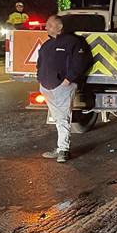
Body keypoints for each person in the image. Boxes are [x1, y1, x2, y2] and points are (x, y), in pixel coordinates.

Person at [37, 15, 91, 163]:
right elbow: (40, 63)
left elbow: (81, 62)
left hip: (63, 87)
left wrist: (69, 79)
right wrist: (40, 79)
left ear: (59, 27)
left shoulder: (73, 42)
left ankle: (63, 150)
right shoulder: (47, 45)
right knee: (58, 119)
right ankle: (61, 148)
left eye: (50, 24)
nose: (46, 27)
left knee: (63, 119)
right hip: (47, 87)